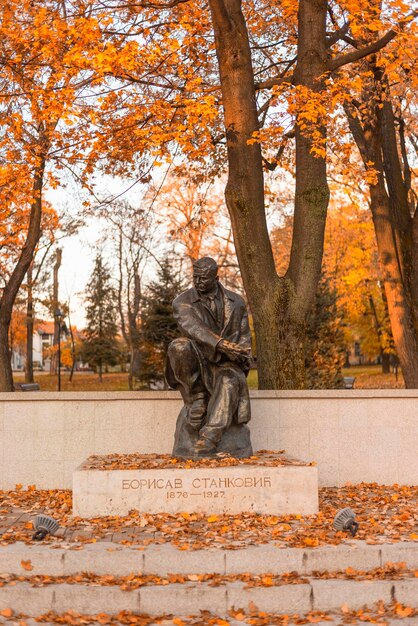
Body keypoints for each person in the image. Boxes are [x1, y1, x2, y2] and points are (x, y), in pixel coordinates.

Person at [165, 256, 253, 457]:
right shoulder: (182, 302)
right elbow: (194, 328)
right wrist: (221, 345)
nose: (197, 282)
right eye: (195, 277)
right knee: (179, 346)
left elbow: (245, 338)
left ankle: (209, 438)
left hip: (225, 364)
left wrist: (240, 355)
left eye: (203, 278)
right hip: (197, 361)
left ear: (217, 277)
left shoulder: (237, 303)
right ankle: (197, 397)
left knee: (230, 379)